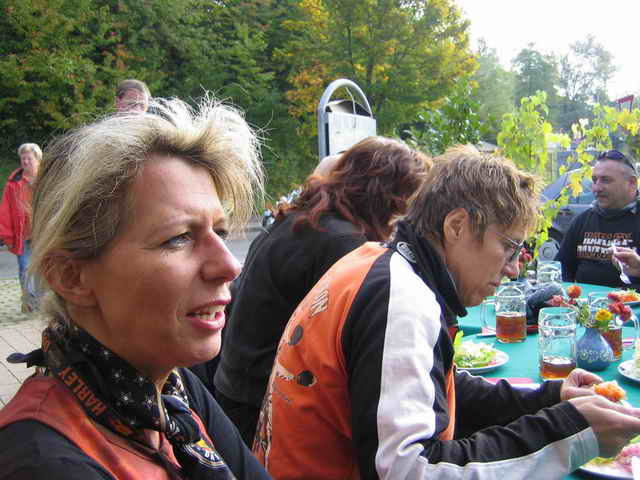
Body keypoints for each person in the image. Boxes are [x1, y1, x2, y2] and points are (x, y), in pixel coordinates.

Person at [253, 145, 640, 479]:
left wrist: (550, 398)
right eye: (509, 247)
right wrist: (571, 432)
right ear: (457, 226)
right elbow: (408, 470)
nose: (513, 268)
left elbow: (435, 387)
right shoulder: (401, 301)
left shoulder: (376, 261)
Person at [0, 97, 270, 479]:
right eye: (178, 238)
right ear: (71, 276)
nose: (229, 266)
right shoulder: (43, 462)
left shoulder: (172, 388)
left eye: (220, 232)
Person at [213, 136, 430, 446]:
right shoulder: (342, 242)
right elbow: (363, 348)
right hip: (263, 405)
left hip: (236, 388)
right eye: (407, 202)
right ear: (387, 195)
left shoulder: (305, 218)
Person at [556, 149, 640, 289]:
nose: (596, 188)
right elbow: (560, 269)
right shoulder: (582, 221)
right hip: (585, 302)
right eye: (594, 180)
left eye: (605, 180)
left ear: (631, 183)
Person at [0, 143, 41, 312]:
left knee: (43, 268)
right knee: (25, 269)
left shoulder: (46, 179)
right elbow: (5, 211)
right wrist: (7, 236)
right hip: (22, 235)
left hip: (43, 233)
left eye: (29, 158)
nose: (25, 161)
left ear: (38, 159)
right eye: (23, 158)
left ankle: (43, 302)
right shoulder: (13, 183)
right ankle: (29, 303)